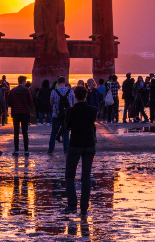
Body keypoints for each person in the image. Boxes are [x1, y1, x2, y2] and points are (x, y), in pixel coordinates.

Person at [64, 85, 97, 214]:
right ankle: (84, 207)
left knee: (69, 175)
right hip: (89, 144)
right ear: (86, 95)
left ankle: (72, 204)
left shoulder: (70, 111)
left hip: (75, 144)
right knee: (86, 177)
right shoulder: (93, 110)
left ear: (75, 96)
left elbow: (67, 127)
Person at [7, 75, 33, 156]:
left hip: (15, 113)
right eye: (25, 81)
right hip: (25, 113)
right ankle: (26, 151)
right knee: (25, 132)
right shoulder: (27, 91)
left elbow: (9, 102)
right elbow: (30, 102)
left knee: (16, 132)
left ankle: (16, 151)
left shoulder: (12, 91)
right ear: (23, 81)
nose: (25, 83)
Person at [49, 77, 76, 154]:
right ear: (65, 82)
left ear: (57, 82)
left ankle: (51, 149)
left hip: (56, 114)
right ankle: (66, 149)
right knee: (66, 132)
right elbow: (73, 103)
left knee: (54, 132)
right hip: (67, 115)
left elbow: (51, 103)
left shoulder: (54, 91)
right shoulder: (70, 91)